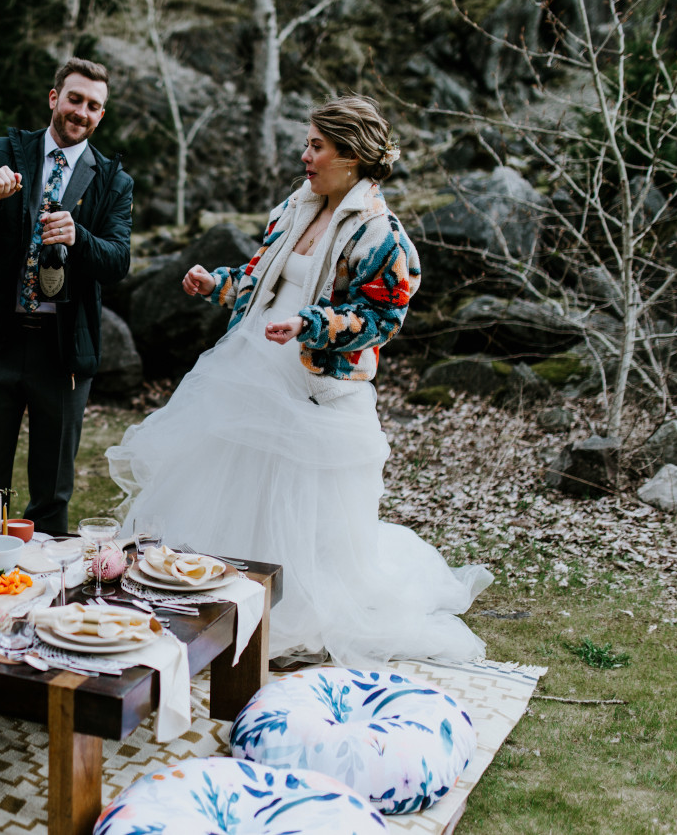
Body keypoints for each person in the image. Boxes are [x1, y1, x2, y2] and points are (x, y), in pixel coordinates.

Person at [106, 95, 491, 667]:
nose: (305, 155)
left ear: (352, 155)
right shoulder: (296, 206)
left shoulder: (383, 237)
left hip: (315, 387)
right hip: (249, 369)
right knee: (230, 490)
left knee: (298, 511)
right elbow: (261, 279)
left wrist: (310, 325)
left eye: (317, 145)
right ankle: (205, 601)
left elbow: (379, 320)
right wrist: (215, 283)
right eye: (308, 144)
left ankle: (282, 614)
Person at [0, 58, 133, 536]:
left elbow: (117, 261)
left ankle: (43, 596)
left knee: (51, 490)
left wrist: (79, 237)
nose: (81, 111)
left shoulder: (113, 180)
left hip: (62, 351)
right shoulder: (8, 150)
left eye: (94, 106)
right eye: (74, 99)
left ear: (100, 116)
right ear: (54, 98)